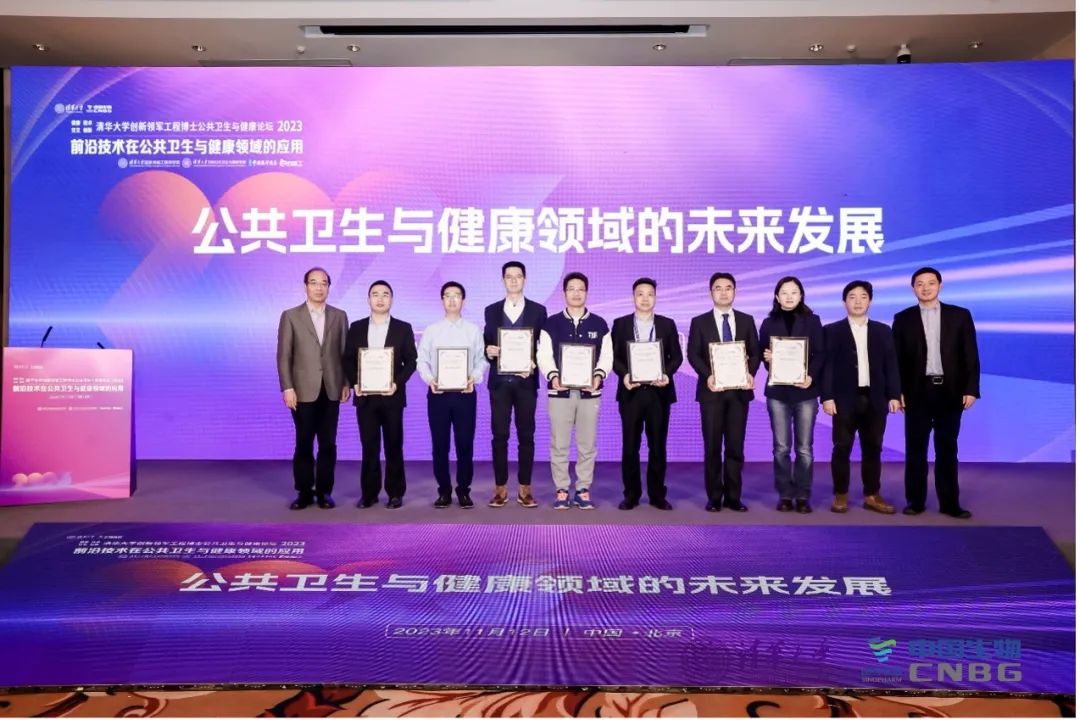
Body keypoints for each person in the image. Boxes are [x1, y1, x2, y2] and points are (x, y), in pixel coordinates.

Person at [892, 267, 980, 519]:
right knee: (915, 449)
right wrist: (897, 392)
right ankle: (915, 502)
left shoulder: (960, 315)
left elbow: (970, 354)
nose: (925, 288)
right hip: (916, 392)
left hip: (950, 391)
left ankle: (950, 503)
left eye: (931, 283)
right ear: (913, 288)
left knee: (948, 448)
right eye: (920, 284)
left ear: (940, 285)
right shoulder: (903, 318)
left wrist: (971, 389)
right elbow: (896, 359)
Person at [820, 280, 901, 515]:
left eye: (863, 297)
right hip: (843, 400)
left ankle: (872, 495)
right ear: (844, 302)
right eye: (852, 297)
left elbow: (891, 365)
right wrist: (827, 396)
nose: (858, 301)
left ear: (870, 301)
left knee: (873, 448)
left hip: (875, 398)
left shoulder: (883, 330)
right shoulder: (831, 330)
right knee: (841, 447)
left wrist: (894, 395)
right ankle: (841, 494)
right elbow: (827, 366)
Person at [537, 272, 613, 510]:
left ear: (586, 292)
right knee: (559, 444)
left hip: (590, 394)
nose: (576, 293)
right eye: (571, 289)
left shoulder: (599, 324)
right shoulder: (551, 323)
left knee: (587, 444)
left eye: (581, 289)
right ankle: (561, 489)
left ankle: (582, 489)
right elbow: (543, 355)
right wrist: (553, 376)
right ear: (564, 293)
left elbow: (607, 356)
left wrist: (598, 375)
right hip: (559, 393)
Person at [276, 267, 349, 510]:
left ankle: (325, 491)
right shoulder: (290, 316)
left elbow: (344, 353)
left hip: (331, 388)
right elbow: (284, 355)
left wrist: (346, 382)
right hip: (302, 390)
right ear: (305, 286)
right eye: (314, 283)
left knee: (328, 443)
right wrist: (287, 387)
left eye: (324, 283)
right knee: (304, 442)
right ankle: (304, 491)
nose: (319, 287)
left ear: (328, 287)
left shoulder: (340, 316)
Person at [687, 272, 760, 513]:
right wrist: (708, 375)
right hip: (711, 393)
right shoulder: (699, 322)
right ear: (711, 293)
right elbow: (693, 354)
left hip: (739, 393)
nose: (723, 292)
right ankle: (714, 497)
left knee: (735, 447)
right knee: (712, 447)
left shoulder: (747, 320)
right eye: (718, 288)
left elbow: (755, 352)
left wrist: (750, 373)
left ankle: (734, 497)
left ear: (735, 292)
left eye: (728, 288)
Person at [342, 280, 418, 509]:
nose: (380, 298)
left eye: (385, 294)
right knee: (369, 446)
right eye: (375, 294)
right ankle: (369, 493)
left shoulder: (403, 328)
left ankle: (395, 493)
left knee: (394, 445)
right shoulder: (356, 327)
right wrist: (355, 383)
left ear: (391, 299)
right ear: (368, 299)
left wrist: (397, 383)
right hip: (365, 397)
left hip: (392, 396)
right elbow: (347, 359)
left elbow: (411, 361)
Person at [610, 277, 683, 510]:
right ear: (633, 297)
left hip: (658, 393)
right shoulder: (620, 324)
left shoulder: (667, 324)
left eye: (650, 294)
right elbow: (613, 357)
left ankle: (657, 495)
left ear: (655, 297)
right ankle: (631, 495)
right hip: (630, 393)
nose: (645, 298)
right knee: (630, 446)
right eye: (640, 294)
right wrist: (624, 375)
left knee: (657, 446)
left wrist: (666, 374)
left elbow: (677, 357)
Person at [483, 261, 548, 509]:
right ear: (502, 280)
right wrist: (489, 350)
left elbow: (544, 348)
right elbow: (486, 343)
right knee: (499, 436)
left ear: (525, 279)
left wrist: (534, 363)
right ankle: (500, 489)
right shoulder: (491, 311)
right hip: (499, 383)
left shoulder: (538, 311)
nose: (513, 280)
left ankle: (525, 489)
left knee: (526, 436)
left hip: (525, 383)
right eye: (508, 276)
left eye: (518, 276)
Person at [417, 281, 486, 509]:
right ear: (442, 300)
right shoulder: (432, 330)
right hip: (438, 394)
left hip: (465, 394)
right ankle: (444, 491)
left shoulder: (473, 330)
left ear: (463, 300)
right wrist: (430, 379)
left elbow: (481, 360)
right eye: (447, 295)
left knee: (465, 444)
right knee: (440, 445)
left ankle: (464, 490)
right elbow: (421, 360)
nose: (452, 299)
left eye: (457, 295)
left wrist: (473, 378)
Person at [759, 276, 825, 514]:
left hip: (805, 392)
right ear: (777, 297)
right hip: (777, 393)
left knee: (804, 448)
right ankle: (785, 494)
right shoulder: (768, 323)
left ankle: (803, 495)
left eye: (794, 292)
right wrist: (768, 358)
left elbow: (820, 353)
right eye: (784, 292)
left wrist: (811, 376)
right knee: (781, 447)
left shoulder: (813, 321)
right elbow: (763, 354)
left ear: (801, 295)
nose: (789, 296)